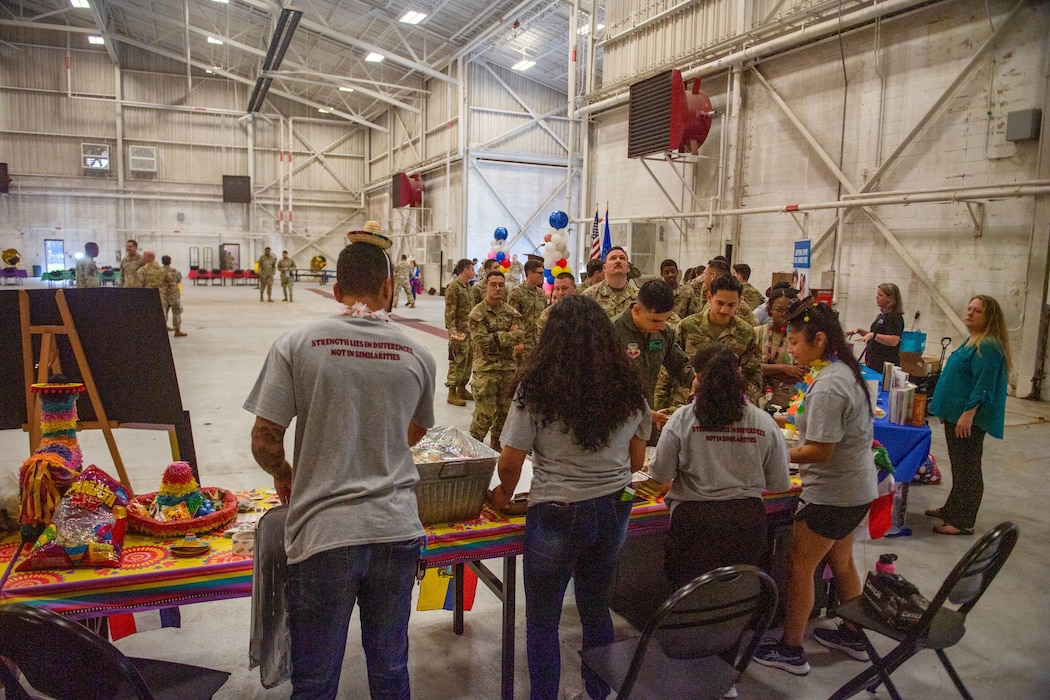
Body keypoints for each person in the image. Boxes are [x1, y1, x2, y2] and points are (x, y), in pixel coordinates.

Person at [244, 237, 436, 700]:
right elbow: (414, 434)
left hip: (324, 537)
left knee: (315, 680)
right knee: (391, 671)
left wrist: (285, 471)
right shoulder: (419, 356)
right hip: (395, 531)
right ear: (389, 288)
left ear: (335, 290)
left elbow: (264, 439)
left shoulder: (297, 345)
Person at [487, 295, 651, 700]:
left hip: (557, 510)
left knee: (543, 620)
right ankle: (599, 693)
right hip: (615, 505)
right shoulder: (630, 386)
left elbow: (510, 462)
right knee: (595, 607)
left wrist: (502, 496)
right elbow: (635, 461)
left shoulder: (539, 387)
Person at [753, 300, 877, 676]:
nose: (790, 348)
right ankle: (855, 634)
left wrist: (779, 452)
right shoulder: (839, 372)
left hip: (832, 496)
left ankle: (791, 648)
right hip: (856, 491)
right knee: (840, 561)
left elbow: (820, 451)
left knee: (800, 566)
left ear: (819, 339)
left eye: (794, 341)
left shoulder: (829, 386)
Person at [649, 345, 791, 589]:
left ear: (697, 379)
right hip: (748, 524)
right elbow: (779, 482)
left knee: (688, 591)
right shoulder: (763, 421)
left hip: (694, 525)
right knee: (734, 588)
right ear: (739, 376)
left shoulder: (683, 419)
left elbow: (660, 474)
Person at [926, 295, 1010, 536]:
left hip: (967, 419)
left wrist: (968, 414)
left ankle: (964, 521)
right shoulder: (973, 340)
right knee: (958, 465)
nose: (970, 313)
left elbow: (984, 385)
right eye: (969, 307)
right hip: (956, 415)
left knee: (968, 468)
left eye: (977, 311)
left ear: (989, 317)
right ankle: (951, 509)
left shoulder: (989, 345)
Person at [612, 280, 693, 434]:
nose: (661, 326)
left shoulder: (664, 334)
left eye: (665, 320)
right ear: (636, 310)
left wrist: (696, 381)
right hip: (616, 422)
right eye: (655, 320)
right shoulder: (611, 331)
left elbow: (679, 365)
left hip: (647, 418)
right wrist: (640, 413)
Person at [671, 274, 763, 403]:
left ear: (740, 302)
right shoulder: (687, 326)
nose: (724, 310)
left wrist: (740, 399)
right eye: (719, 303)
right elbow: (668, 369)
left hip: (728, 406)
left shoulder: (746, 333)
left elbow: (754, 374)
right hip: (686, 403)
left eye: (731, 305)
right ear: (709, 297)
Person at [468, 270, 525, 450]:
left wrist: (496, 336)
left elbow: (520, 335)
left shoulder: (511, 312)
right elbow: (483, 343)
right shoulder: (477, 314)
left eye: (501, 285)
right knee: (484, 415)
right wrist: (507, 334)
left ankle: (496, 447)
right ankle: (474, 448)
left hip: (508, 370)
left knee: (505, 414)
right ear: (486, 287)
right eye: (494, 285)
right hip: (486, 371)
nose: (498, 288)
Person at [755, 286, 805, 409]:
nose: (783, 315)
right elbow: (750, 368)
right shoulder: (757, 333)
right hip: (756, 400)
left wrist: (765, 371)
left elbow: (799, 374)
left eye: (787, 311)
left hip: (787, 403)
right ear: (770, 310)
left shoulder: (800, 338)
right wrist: (783, 368)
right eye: (778, 310)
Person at [848, 283, 904, 371]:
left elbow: (894, 340)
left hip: (885, 364)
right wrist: (860, 331)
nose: (877, 297)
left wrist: (873, 335)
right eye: (877, 295)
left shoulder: (894, 317)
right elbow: (875, 335)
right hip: (874, 362)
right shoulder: (881, 315)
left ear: (890, 298)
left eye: (880, 295)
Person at [444, 258, 476, 407]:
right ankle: (452, 392)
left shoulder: (468, 287)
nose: (474, 272)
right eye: (472, 269)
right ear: (465, 270)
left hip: (469, 331)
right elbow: (450, 311)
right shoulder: (453, 287)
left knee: (468, 361)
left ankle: (462, 388)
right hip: (459, 332)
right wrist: (452, 332)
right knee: (457, 361)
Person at [581, 247, 637, 318]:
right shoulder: (589, 296)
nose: (618, 261)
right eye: (613, 258)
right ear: (604, 268)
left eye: (622, 258)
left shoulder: (639, 297)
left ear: (628, 268)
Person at [508, 259, 546, 360]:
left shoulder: (541, 294)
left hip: (539, 343)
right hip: (523, 344)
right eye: (540, 273)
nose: (542, 276)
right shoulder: (516, 293)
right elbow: (512, 319)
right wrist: (517, 341)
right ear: (530, 273)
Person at [535, 272, 577, 341]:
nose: (560, 293)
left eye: (564, 288)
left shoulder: (585, 309)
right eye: (557, 289)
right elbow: (541, 341)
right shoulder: (547, 314)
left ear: (574, 287)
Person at [159, 255, 187, 337]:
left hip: (163, 294)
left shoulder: (159, 271)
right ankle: (177, 330)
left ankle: (163, 328)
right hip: (173, 294)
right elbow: (179, 280)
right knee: (176, 312)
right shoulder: (175, 271)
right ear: (170, 261)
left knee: (164, 312)